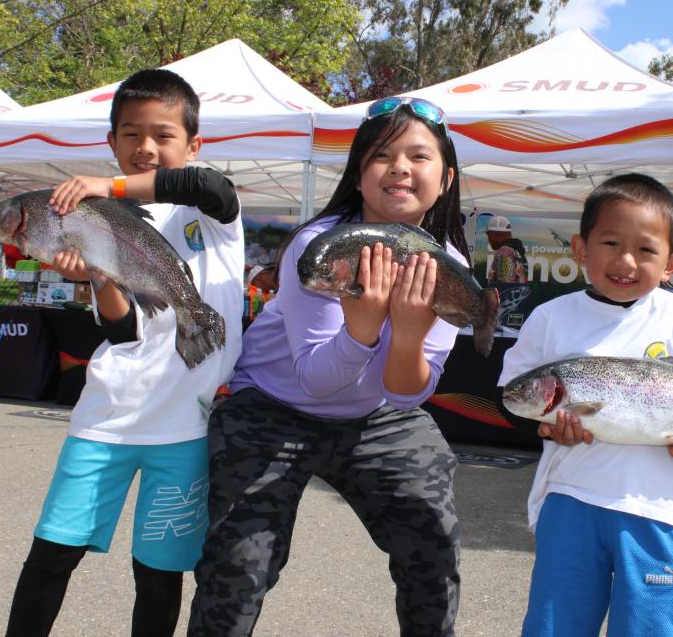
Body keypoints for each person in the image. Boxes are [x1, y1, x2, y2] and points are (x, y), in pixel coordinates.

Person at [189, 96, 466, 637]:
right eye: (382, 155)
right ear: (359, 175)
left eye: (419, 156)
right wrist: (363, 328)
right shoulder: (321, 245)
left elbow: (409, 394)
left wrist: (408, 336)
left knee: (432, 550)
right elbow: (315, 380)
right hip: (272, 408)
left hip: (380, 413)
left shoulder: (451, 267)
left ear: (446, 178)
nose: (401, 168)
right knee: (239, 567)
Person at [4, 69, 244, 637]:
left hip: (184, 429)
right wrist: (96, 278)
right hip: (105, 420)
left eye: (163, 134)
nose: (146, 147)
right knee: (50, 559)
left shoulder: (211, 220)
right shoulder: (94, 222)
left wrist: (103, 187)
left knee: (158, 576)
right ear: (112, 143)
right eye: (131, 134)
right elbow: (122, 333)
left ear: (193, 144)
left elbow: (212, 188)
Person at [498, 173, 673, 637]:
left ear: (672, 262)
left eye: (646, 249)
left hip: (655, 507)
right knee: (556, 626)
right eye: (611, 242)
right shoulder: (549, 317)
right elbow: (512, 399)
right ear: (580, 248)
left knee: (650, 628)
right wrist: (545, 428)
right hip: (570, 496)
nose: (626, 261)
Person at [485, 214, 528, 283]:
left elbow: (506, 285)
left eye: (489, 236)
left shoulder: (504, 252)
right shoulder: (517, 251)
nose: (489, 240)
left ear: (495, 235)